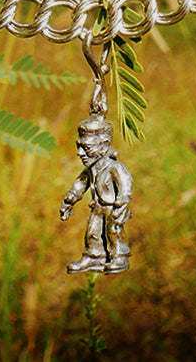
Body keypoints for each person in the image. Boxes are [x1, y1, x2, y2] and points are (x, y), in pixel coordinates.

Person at [59, 112, 133, 274]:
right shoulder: (91, 169)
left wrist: (122, 204)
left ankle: (119, 256)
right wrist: (69, 201)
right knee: (93, 232)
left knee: (114, 231)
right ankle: (94, 256)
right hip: (97, 208)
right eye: (79, 146)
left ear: (105, 145)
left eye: (86, 148)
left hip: (113, 208)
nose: (80, 153)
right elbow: (79, 185)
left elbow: (125, 185)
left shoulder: (115, 167)